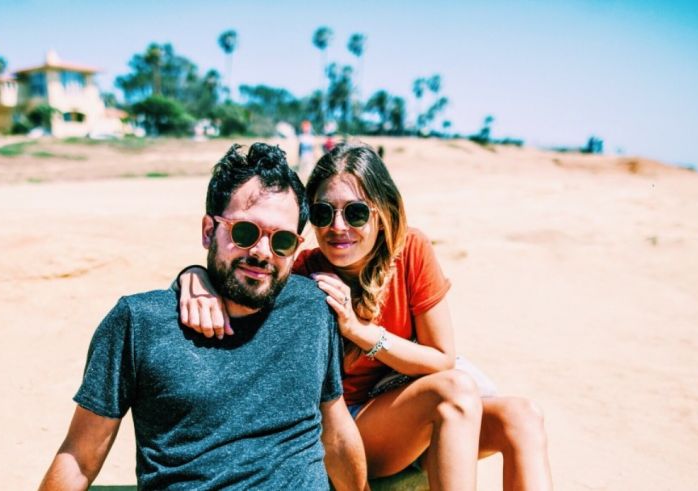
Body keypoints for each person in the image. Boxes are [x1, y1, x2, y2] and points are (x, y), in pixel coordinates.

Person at [178, 142, 553, 490]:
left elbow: (441, 358)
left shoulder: (411, 251)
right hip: (347, 428)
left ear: (382, 212)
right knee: (453, 392)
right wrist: (193, 276)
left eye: (355, 212)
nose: (338, 227)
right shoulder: (304, 270)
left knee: (522, 417)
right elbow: (244, 272)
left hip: (414, 414)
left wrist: (359, 331)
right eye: (324, 213)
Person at [39, 143, 368, 490]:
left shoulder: (313, 309)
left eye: (282, 240)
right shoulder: (139, 323)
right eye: (245, 232)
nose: (261, 252)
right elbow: (80, 457)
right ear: (209, 231)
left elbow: (335, 428)